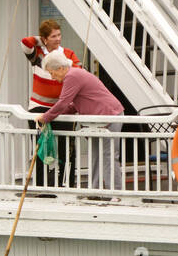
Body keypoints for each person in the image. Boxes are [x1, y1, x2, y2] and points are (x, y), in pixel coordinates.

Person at [39, 51, 124, 197]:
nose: (53, 77)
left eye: (52, 73)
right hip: (100, 119)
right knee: (97, 155)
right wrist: (54, 116)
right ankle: (94, 191)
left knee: (108, 156)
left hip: (109, 116)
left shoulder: (72, 76)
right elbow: (72, 105)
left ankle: (116, 194)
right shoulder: (75, 74)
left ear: (60, 68)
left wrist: (45, 118)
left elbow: (63, 102)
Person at [21, 19, 80, 187]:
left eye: (59, 35)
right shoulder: (37, 53)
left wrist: (61, 59)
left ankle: (66, 185)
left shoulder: (68, 53)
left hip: (62, 108)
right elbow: (25, 42)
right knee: (42, 148)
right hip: (38, 107)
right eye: (53, 36)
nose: (58, 39)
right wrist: (41, 40)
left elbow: (77, 70)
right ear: (45, 38)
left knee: (66, 148)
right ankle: (42, 185)